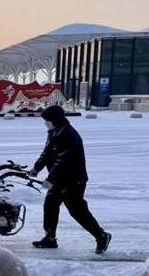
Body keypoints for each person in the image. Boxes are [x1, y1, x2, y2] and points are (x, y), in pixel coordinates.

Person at [29, 105, 111, 254]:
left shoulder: (67, 134)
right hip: (60, 179)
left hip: (73, 180)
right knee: (50, 205)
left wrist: (50, 179)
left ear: (55, 119)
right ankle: (50, 238)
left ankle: (101, 236)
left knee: (77, 211)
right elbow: (47, 152)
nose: (45, 123)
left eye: (47, 120)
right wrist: (36, 168)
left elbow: (63, 161)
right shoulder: (54, 131)